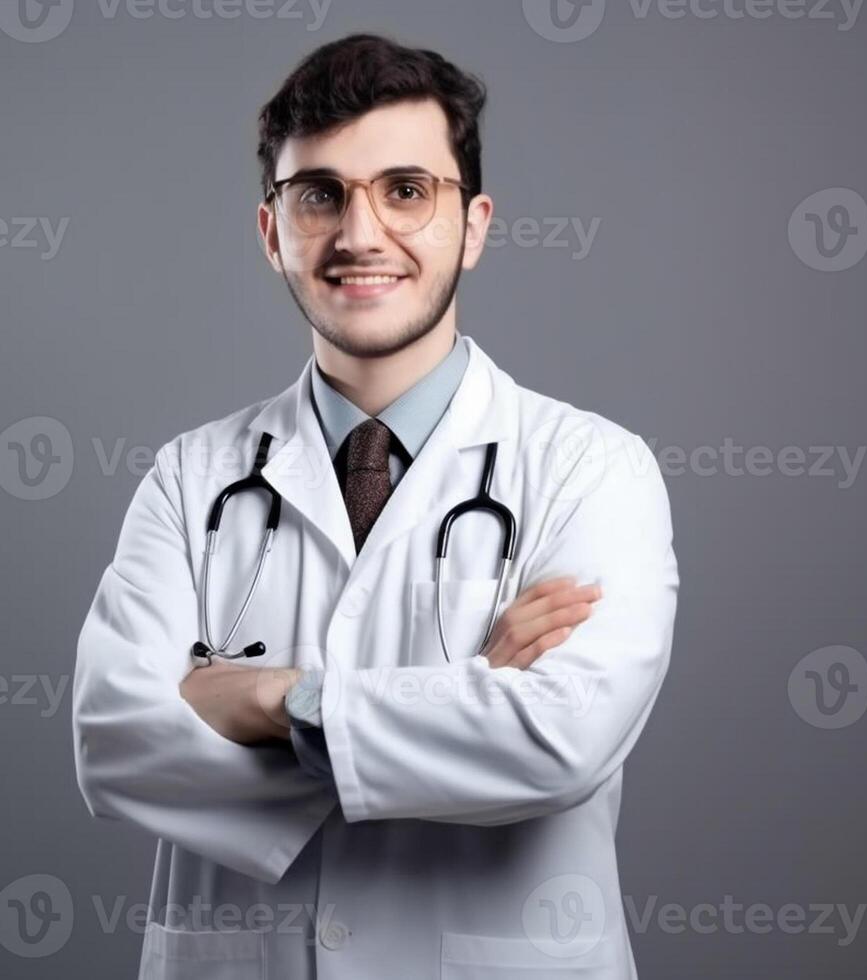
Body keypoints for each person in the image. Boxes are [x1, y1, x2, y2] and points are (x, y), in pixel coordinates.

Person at [73, 33, 679, 979]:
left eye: (406, 190)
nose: (360, 235)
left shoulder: (592, 469)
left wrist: (280, 699)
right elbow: (113, 739)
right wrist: (462, 705)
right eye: (320, 195)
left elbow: (561, 741)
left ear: (473, 225)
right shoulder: (192, 477)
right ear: (273, 230)